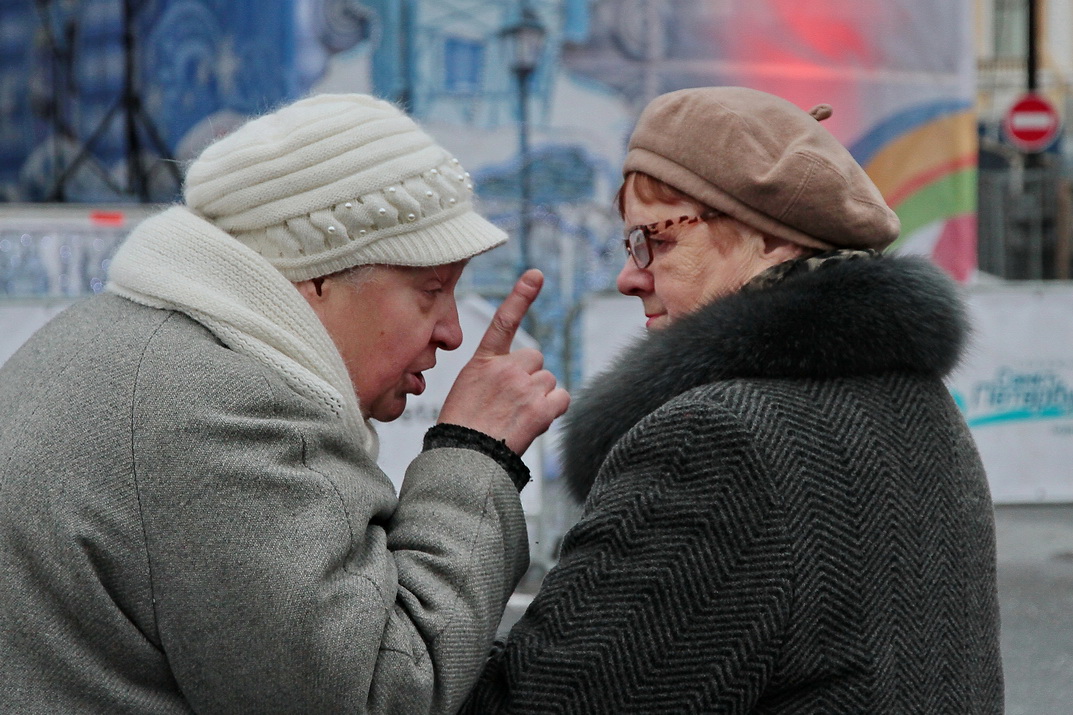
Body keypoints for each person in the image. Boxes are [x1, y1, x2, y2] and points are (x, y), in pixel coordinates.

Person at [0, 93, 569, 713]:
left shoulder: (109, 339)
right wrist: (474, 451)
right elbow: (383, 694)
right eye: (430, 290)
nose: (452, 331)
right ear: (318, 277)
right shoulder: (223, 410)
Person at [461, 86, 1003, 713]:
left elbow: (540, 703)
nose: (628, 276)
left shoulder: (719, 439)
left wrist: (472, 461)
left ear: (771, 240)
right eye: (629, 245)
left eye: (656, 241)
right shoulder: (915, 400)